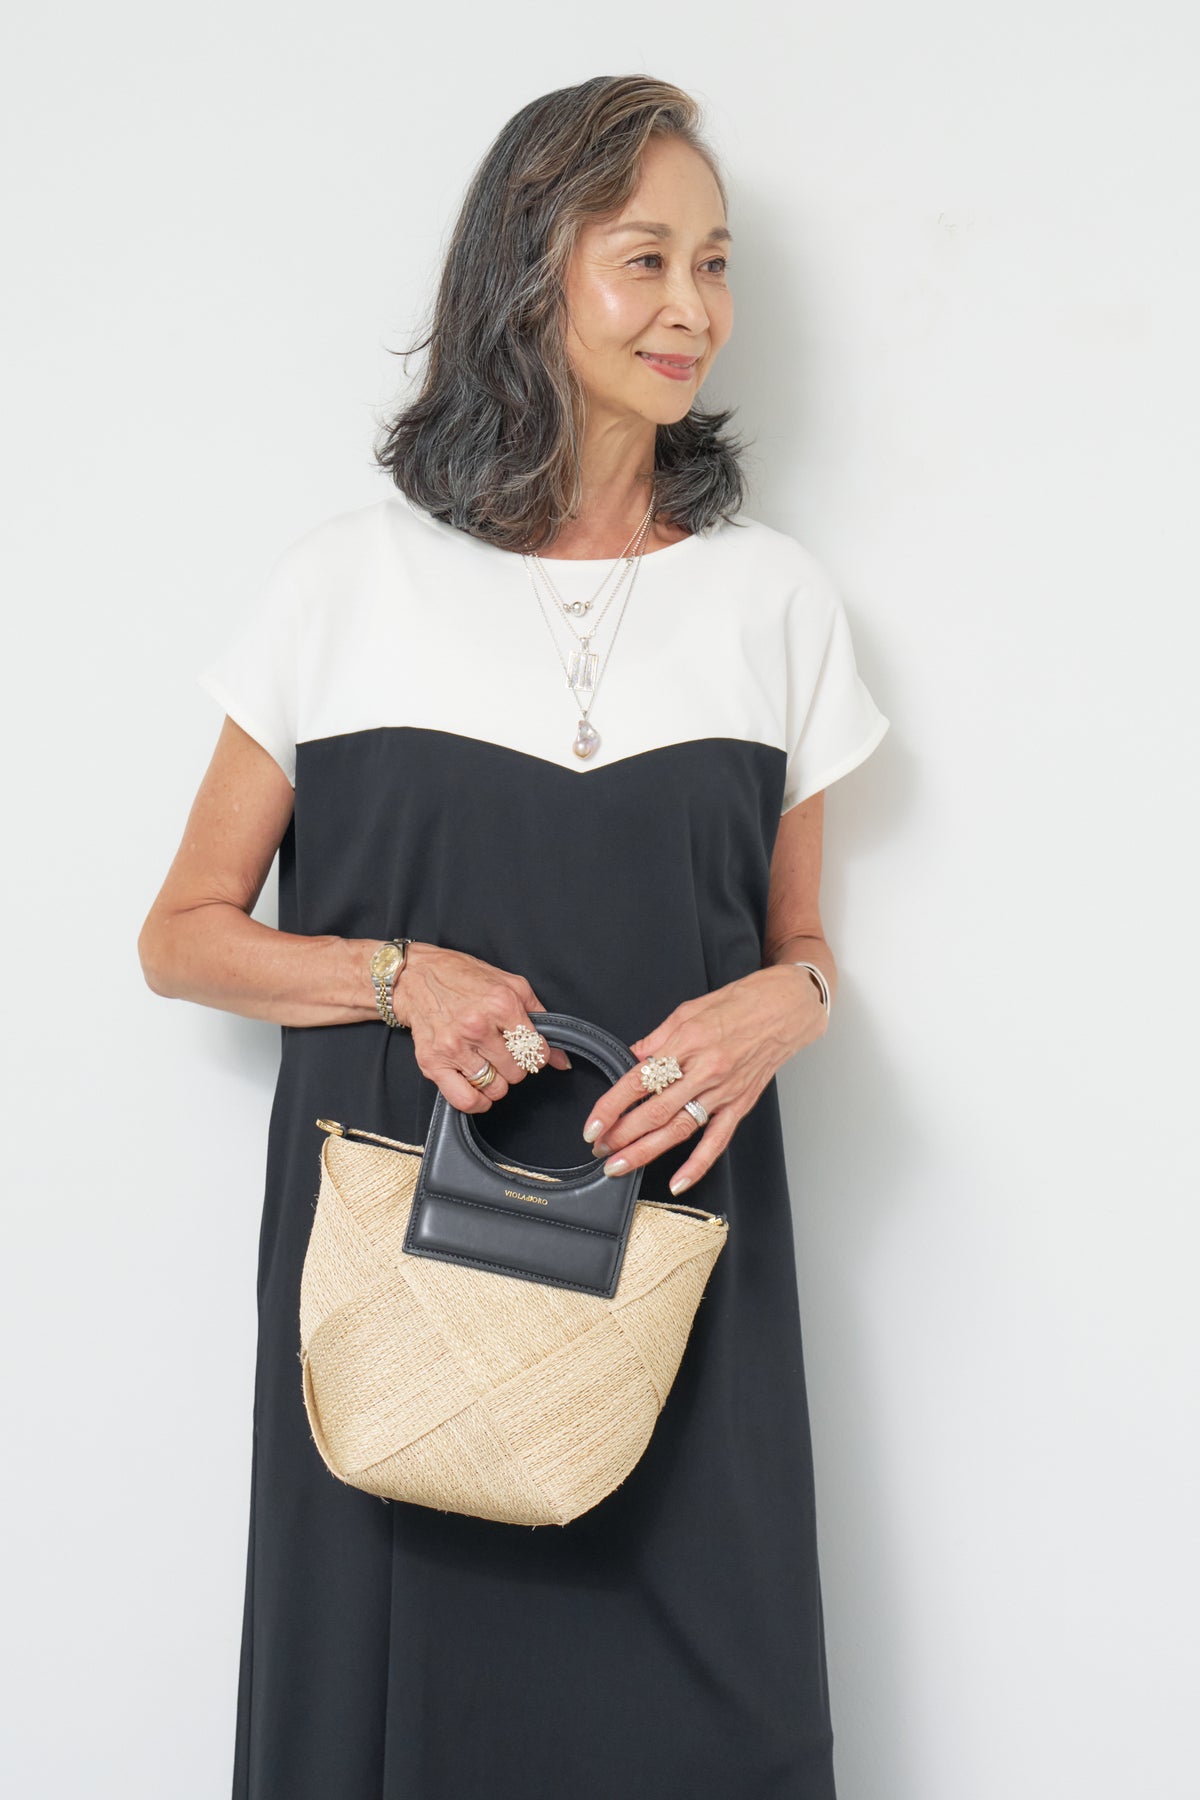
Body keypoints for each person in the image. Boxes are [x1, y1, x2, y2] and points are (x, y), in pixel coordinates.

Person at [138, 73, 889, 1800]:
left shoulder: (772, 599)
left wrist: (791, 1004)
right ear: (528, 272)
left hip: (677, 1267)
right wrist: (399, 977)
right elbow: (182, 936)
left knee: (732, 1733)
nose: (692, 307)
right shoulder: (348, 583)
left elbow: (803, 943)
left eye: (714, 262)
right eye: (645, 259)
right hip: (402, 1300)